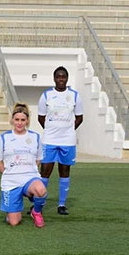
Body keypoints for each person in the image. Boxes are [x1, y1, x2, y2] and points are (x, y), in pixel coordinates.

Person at [37, 66, 84, 216]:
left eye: (63, 77)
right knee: (45, 171)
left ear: (67, 78)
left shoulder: (75, 96)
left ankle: (62, 204)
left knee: (64, 171)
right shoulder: (46, 95)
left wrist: (68, 130)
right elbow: (40, 117)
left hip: (67, 141)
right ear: (54, 78)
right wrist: (52, 129)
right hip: (49, 139)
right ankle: (40, 203)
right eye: (58, 77)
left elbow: (79, 117)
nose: (61, 80)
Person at [0, 104, 48, 227]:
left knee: (41, 190)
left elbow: (38, 159)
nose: (19, 123)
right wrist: (9, 174)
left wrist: (29, 170)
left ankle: (36, 212)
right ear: (12, 120)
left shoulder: (35, 137)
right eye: (17, 119)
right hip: (11, 182)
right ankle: (13, 210)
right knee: (14, 222)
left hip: (30, 178)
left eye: (23, 120)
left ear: (27, 121)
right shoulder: (4, 137)